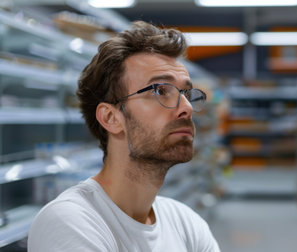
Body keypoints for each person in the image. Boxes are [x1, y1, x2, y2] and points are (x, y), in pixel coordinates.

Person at [28, 21, 220, 252]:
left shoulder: (186, 223)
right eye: (160, 90)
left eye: (186, 92)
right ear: (111, 118)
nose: (187, 107)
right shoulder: (70, 222)